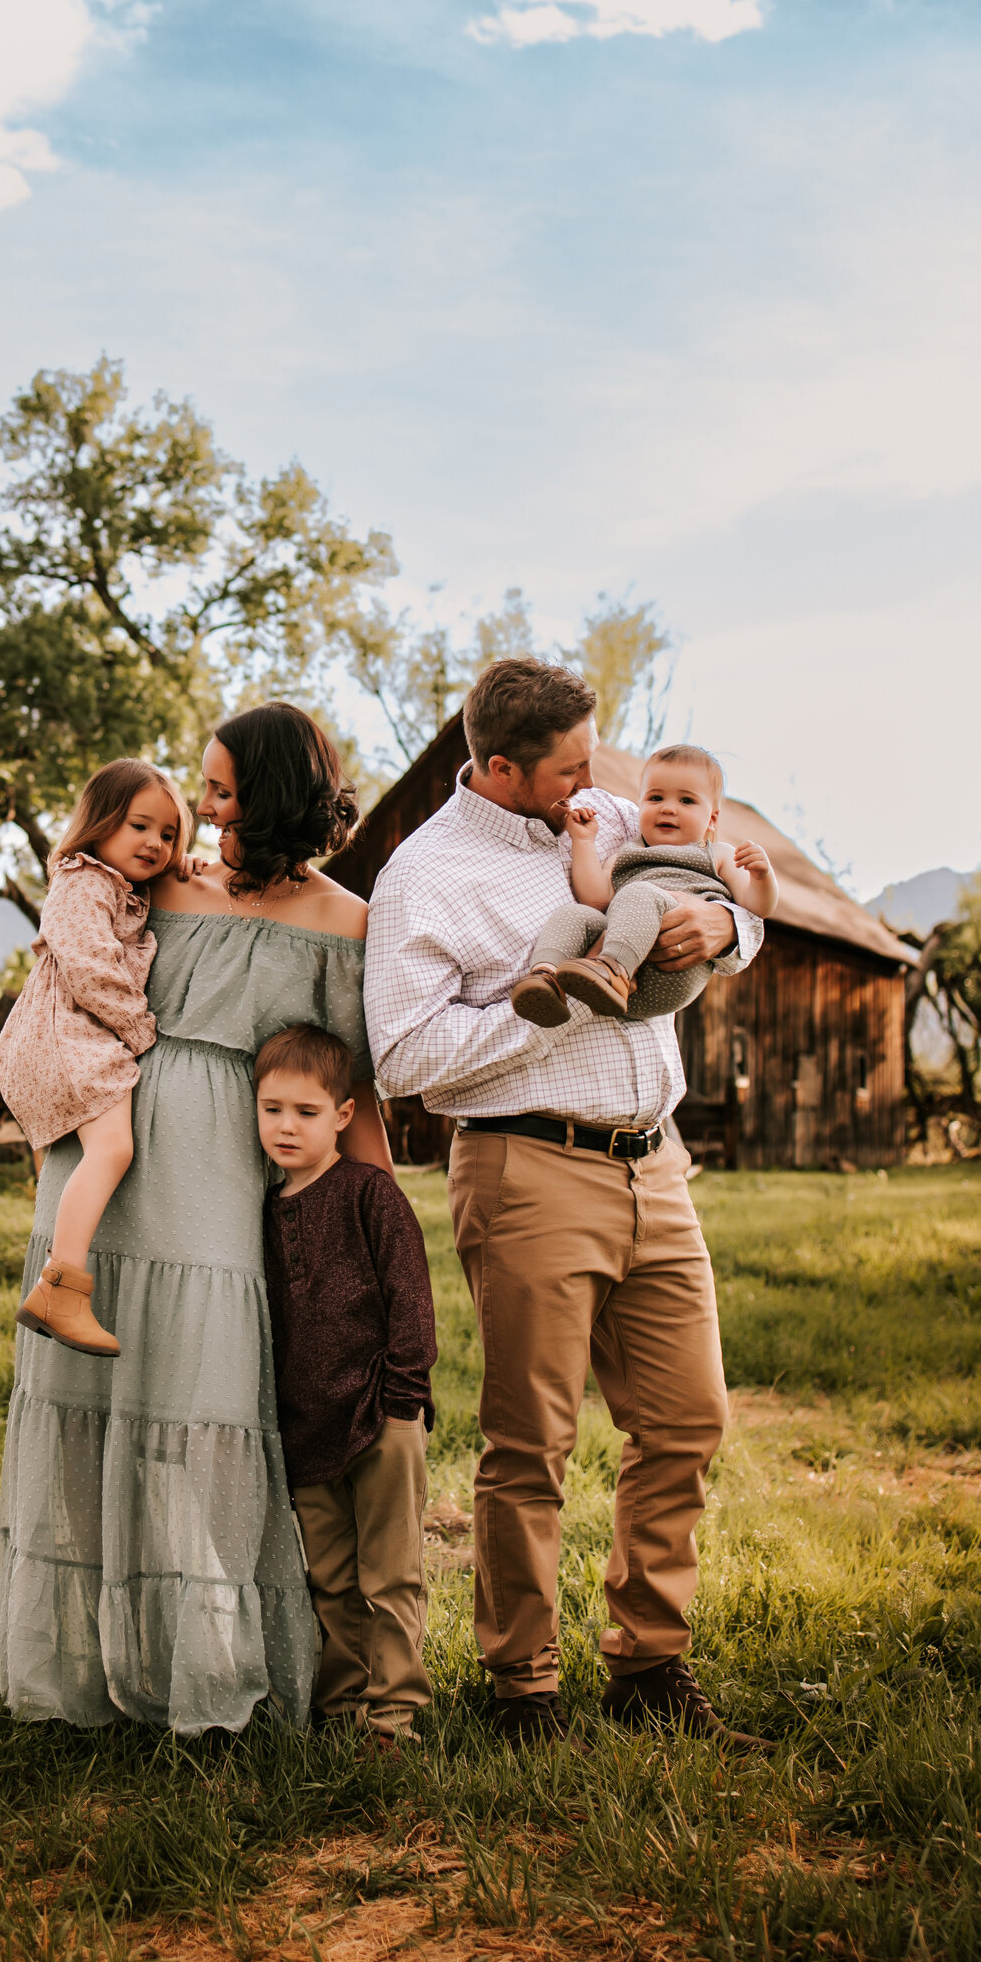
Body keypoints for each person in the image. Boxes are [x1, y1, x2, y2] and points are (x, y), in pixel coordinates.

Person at [363, 657, 768, 1749]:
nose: (603, 782)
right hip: (529, 1169)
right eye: (571, 766)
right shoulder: (426, 873)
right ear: (498, 768)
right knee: (530, 1444)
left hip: (659, 1163)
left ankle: (648, 1666)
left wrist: (722, 934)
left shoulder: (619, 813)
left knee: (686, 1420)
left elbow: (729, 890)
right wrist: (572, 1012)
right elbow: (404, 1058)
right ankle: (523, 1692)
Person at [0, 702, 393, 1735]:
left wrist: (381, 1229)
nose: (200, 811)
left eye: (219, 791)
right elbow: (71, 949)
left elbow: (356, 1091)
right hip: (107, 1144)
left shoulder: (348, 923)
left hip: (217, 1168)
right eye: (199, 790)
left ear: (273, 797)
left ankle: (203, 1668)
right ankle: (85, 1672)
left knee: (205, 1406)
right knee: (90, 1402)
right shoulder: (160, 885)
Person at [256, 1023, 437, 1747]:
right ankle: (340, 1714)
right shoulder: (263, 1213)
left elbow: (411, 1302)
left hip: (381, 1418)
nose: (287, 1126)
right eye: (272, 1109)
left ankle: (394, 1717)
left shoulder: (371, 1196)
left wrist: (402, 1402)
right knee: (331, 1581)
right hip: (306, 1429)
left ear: (342, 1115)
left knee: (389, 1577)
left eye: (306, 1112)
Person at [0, 759, 193, 1357]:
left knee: (109, 1149)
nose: (155, 843)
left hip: (74, 1033)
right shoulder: (81, 881)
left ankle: (64, 1283)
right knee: (113, 1148)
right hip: (63, 1034)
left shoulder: (118, 886)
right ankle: (61, 1286)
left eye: (169, 834)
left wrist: (187, 865)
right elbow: (89, 968)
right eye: (140, 827)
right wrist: (141, 1030)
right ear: (102, 822)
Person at [511, 745, 778, 1027]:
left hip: (672, 973)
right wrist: (584, 841)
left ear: (711, 818)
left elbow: (756, 907)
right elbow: (596, 900)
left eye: (686, 801)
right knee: (573, 915)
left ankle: (614, 971)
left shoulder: (719, 854)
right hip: (610, 972)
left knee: (640, 893)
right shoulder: (627, 855)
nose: (667, 808)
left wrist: (762, 876)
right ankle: (545, 979)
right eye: (655, 797)